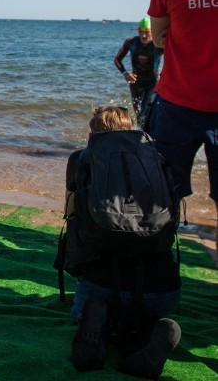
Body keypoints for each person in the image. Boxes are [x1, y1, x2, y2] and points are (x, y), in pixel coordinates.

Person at [66, 107, 181, 379]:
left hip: (101, 284)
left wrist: (74, 267)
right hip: (162, 286)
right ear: (133, 129)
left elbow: (73, 222)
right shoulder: (157, 159)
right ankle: (151, 330)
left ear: (92, 132)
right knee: (147, 317)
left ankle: (98, 322)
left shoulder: (82, 159)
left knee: (85, 309)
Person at [147, 0, 218, 250]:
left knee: (162, 194)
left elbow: (158, 38)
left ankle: (158, 271)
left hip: (177, 102)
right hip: (183, 104)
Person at [114, 17, 162, 128]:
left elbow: (173, 57)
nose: (143, 36)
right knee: (139, 114)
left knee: (146, 111)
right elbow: (117, 59)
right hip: (135, 83)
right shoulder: (131, 42)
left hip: (152, 83)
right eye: (141, 32)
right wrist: (125, 74)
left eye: (147, 32)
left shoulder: (159, 44)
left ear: (153, 32)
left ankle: (147, 135)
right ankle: (141, 135)